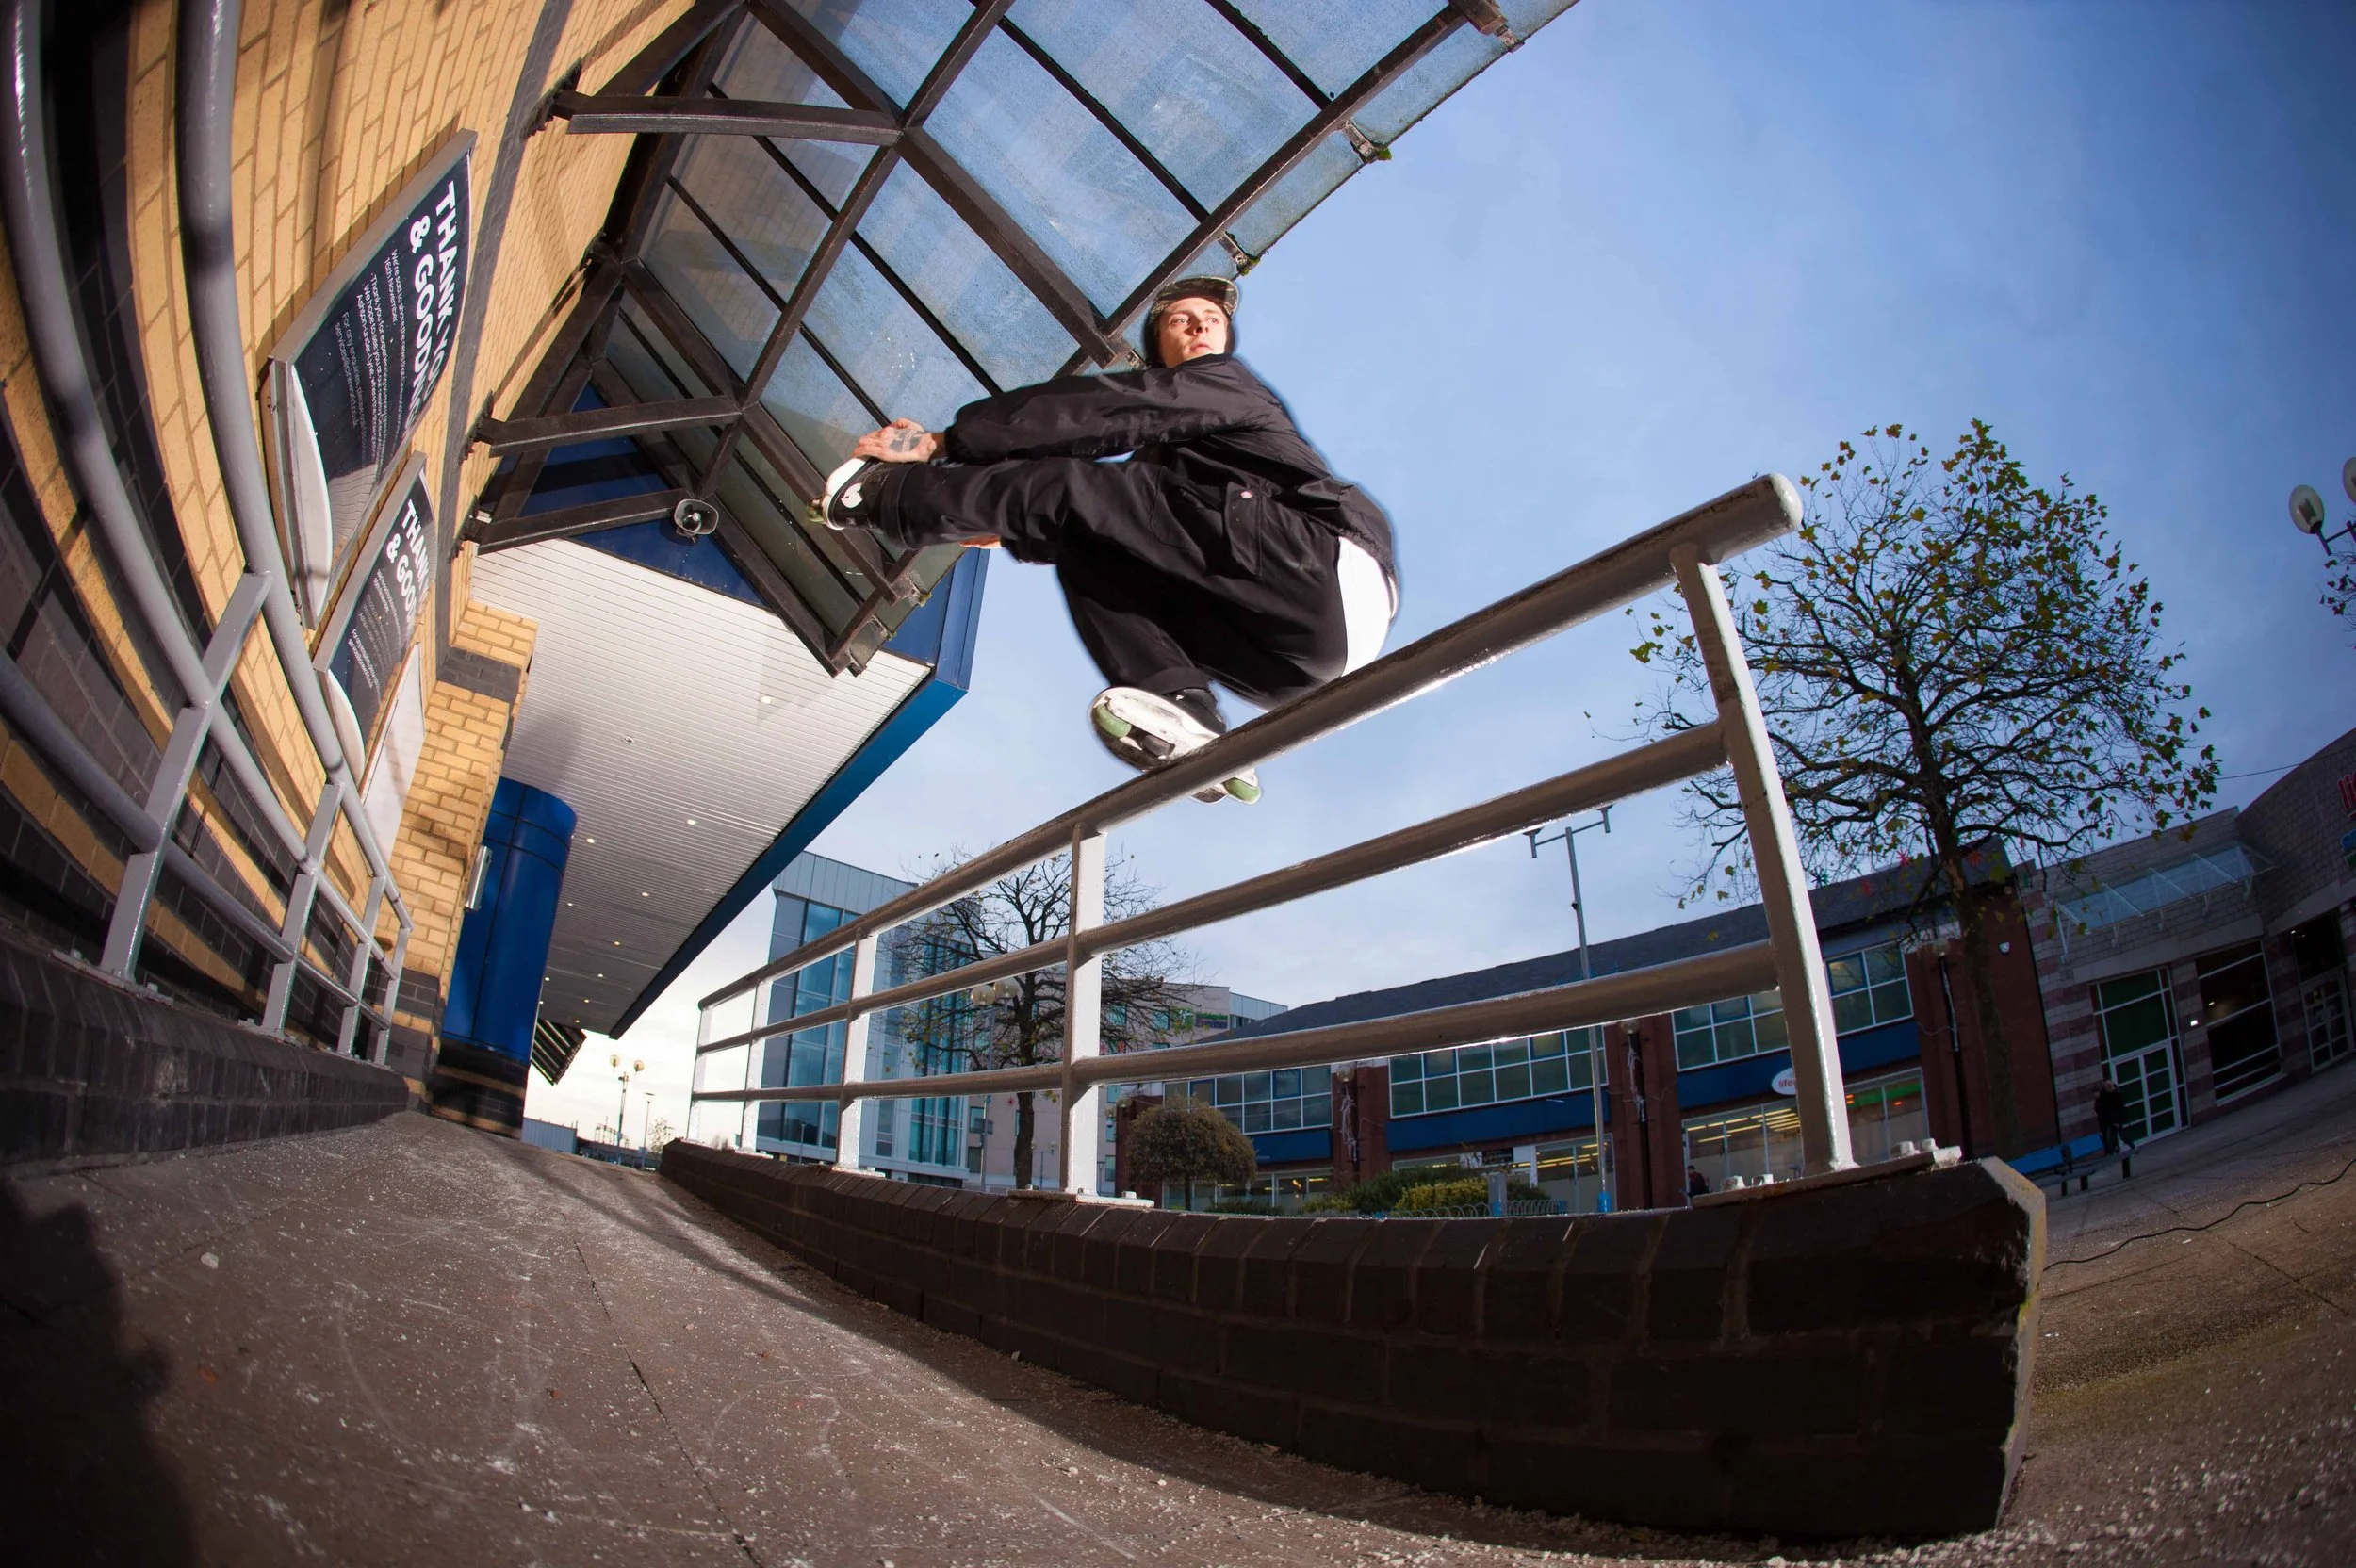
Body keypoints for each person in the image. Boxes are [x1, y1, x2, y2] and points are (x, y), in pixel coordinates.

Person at [817, 276, 1398, 805]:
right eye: (1181, 320)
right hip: (1294, 667)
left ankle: (882, 496)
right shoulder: (1177, 482)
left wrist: (944, 443)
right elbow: (1125, 520)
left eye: (1211, 320)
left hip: (1324, 563)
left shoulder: (1228, 386)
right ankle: (1183, 710)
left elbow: (1104, 412)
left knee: (1070, 488)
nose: (1198, 327)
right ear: (1158, 342)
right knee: (1084, 539)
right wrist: (1017, 532)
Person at [2094, 1077, 2128, 1156]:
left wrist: (2118, 1120)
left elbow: (2119, 1107)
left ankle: (2130, 1147)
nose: (2107, 1087)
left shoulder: (2116, 1094)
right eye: (2106, 1086)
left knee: (2122, 1135)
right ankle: (2115, 1149)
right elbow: (2104, 1109)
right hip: (2109, 1120)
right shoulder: (2104, 1096)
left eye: (2109, 1086)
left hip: (2115, 1118)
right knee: (2112, 1136)